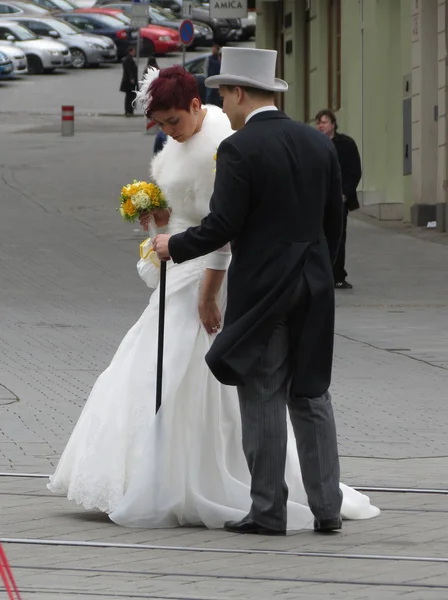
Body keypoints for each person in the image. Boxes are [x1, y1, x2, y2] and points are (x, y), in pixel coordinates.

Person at [48, 64, 379, 532]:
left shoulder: (238, 148)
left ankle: (268, 511)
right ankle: (326, 510)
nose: (223, 101)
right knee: (310, 393)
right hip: (312, 284)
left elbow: (224, 226)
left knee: (261, 391)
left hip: (261, 286)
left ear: (240, 92)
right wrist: (321, 269)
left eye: (224, 93)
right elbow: (334, 221)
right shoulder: (318, 144)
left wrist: (174, 246)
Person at [316, 109, 362, 290]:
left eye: (324, 122)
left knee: (338, 236)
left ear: (333, 124)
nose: (321, 125)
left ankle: (338, 275)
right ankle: (320, 273)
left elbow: (354, 171)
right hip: (319, 199)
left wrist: (345, 194)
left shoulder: (346, 144)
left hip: (339, 199)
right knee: (318, 237)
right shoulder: (313, 142)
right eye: (318, 122)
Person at [120, 45, 138, 117]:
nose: (135, 52)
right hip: (129, 82)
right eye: (134, 51)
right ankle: (129, 111)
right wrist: (132, 78)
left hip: (128, 81)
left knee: (129, 96)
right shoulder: (128, 59)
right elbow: (129, 70)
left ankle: (128, 110)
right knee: (130, 96)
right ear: (130, 51)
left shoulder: (128, 59)